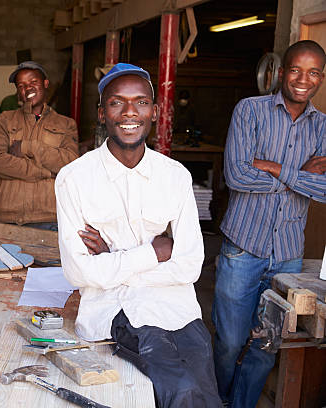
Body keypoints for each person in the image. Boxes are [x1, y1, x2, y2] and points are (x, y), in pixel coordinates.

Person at [56, 63, 222, 407]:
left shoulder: (174, 177)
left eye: (141, 102)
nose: (130, 112)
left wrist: (112, 257)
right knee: (180, 388)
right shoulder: (75, 178)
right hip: (113, 311)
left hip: (175, 307)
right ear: (102, 114)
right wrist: (152, 252)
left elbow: (190, 265)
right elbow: (78, 272)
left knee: (203, 384)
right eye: (117, 103)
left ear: (155, 112)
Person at [212, 40, 326, 408]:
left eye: (312, 73)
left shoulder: (323, 126)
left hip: (288, 256)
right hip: (243, 248)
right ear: (280, 73)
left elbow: (323, 190)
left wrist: (274, 167)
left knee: (266, 343)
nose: (302, 79)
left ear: (321, 79)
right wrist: (300, 175)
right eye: (295, 70)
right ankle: (218, 401)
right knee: (230, 342)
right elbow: (238, 176)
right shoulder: (250, 111)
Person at [0, 61, 78, 229]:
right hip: (7, 217)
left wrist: (27, 147)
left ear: (45, 84)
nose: (28, 89)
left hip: (49, 217)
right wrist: (44, 172)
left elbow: (70, 163)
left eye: (33, 82)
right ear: (18, 92)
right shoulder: (4, 120)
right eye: (21, 85)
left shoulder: (66, 124)